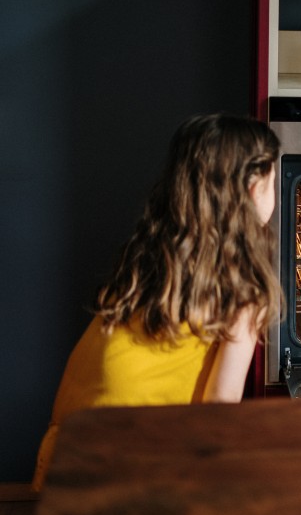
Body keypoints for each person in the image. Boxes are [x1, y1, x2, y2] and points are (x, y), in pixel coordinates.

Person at [31, 113, 282, 491]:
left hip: (80, 433)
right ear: (252, 188)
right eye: (274, 179)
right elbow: (221, 401)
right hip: (144, 449)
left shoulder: (152, 249)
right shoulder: (243, 286)